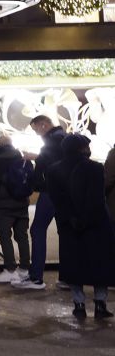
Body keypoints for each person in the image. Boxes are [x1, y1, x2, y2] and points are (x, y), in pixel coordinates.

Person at [45, 134, 114, 319]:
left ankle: (79, 304)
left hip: (69, 226)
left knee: (74, 266)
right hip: (95, 225)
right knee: (100, 265)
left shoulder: (53, 170)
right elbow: (96, 199)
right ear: (82, 148)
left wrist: (71, 218)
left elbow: (57, 199)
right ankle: (100, 304)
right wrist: (87, 219)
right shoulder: (95, 168)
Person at [14, 115, 66, 291]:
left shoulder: (54, 139)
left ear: (43, 125)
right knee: (64, 232)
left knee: (37, 229)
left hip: (51, 191)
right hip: (61, 191)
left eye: (36, 129)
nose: (37, 134)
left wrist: (34, 157)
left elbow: (50, 162)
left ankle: (36, 276)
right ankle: (66, 277)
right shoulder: (61, 137)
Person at [0, 135, 33, 284]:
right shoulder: (23, 160)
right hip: (21, 204)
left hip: (3, 205)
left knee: (5, 237)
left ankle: (10, 268)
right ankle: (25, 268)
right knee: (22, 236)